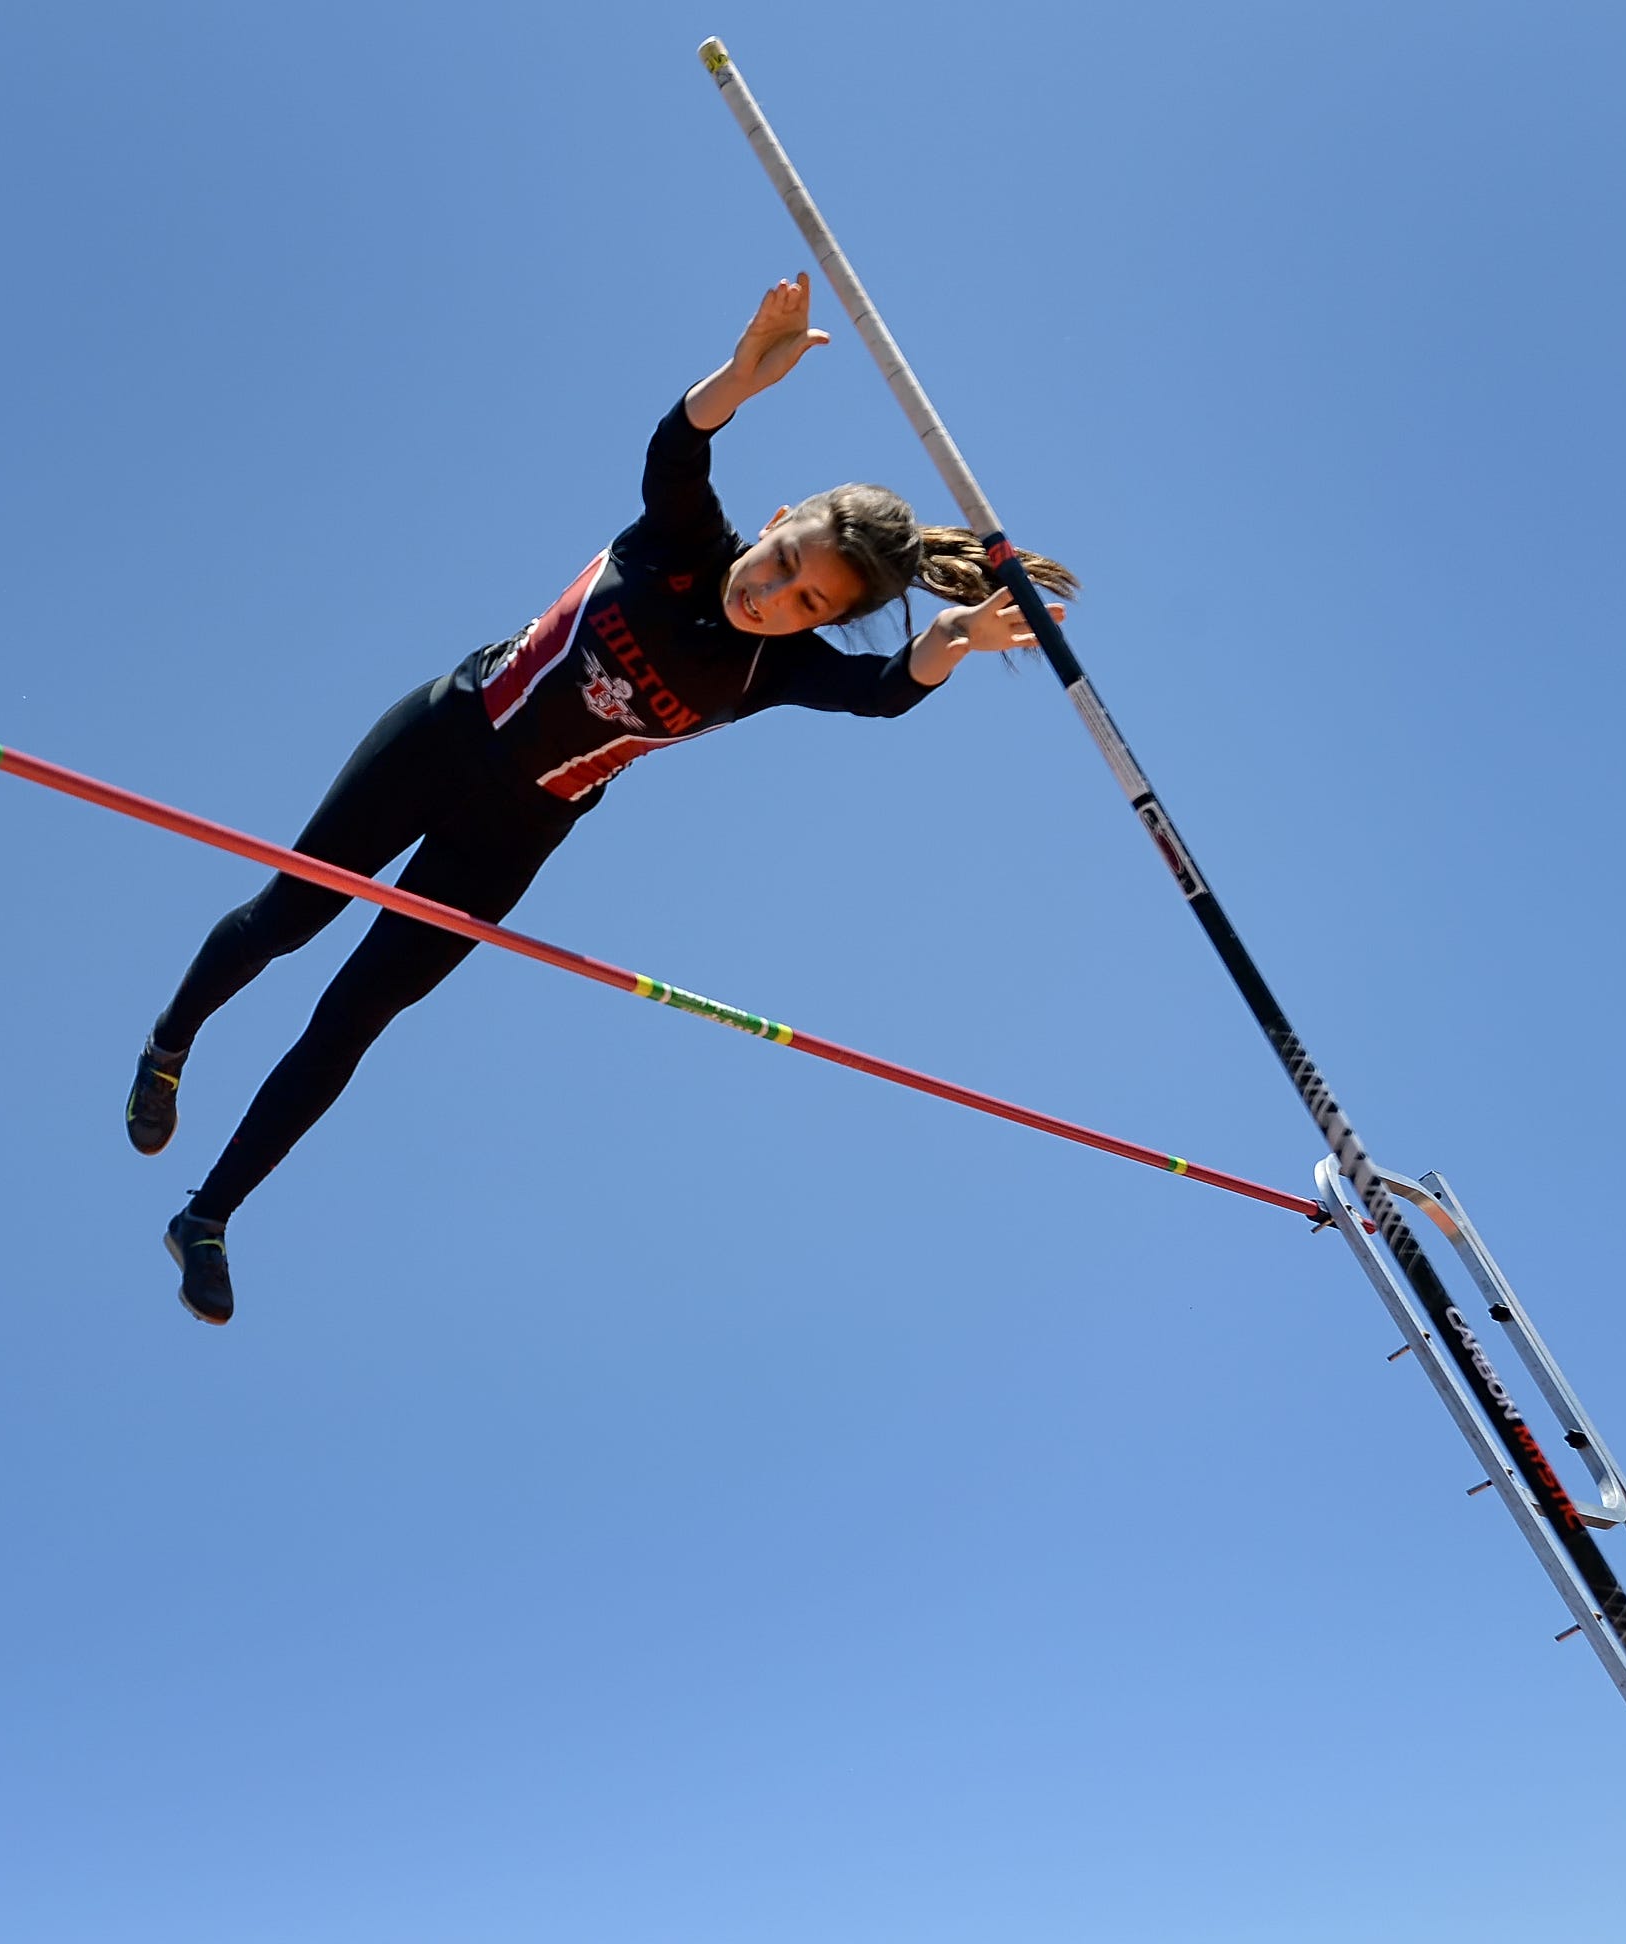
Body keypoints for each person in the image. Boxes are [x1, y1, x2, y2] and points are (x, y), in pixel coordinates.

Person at [127, 273, 1075, 1324]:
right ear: (771, 524)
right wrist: (739, 377)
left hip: (514, 833)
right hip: (445, 737)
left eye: (804, 602)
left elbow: (884, 694)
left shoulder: (778, 670)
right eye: (782, 561)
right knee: (285, 922)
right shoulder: (679, 542)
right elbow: (678, 445)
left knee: (355, 1018)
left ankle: (207, 1216)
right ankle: (170, 1045)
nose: (771, 596)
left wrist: (947, 641)